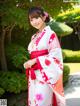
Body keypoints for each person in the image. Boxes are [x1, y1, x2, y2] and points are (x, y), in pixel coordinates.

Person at [23, 6, 66, 106]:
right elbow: (33, 54)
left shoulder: (51, 34)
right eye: (31, 19)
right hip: (34, 76)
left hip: (45, 75)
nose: (34, 22)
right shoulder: (33, 36)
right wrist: (28, 63)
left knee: (41, 102)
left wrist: (35, 61)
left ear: (43, 17)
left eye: (36, 18)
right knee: (34, 102)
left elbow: (56, 58)